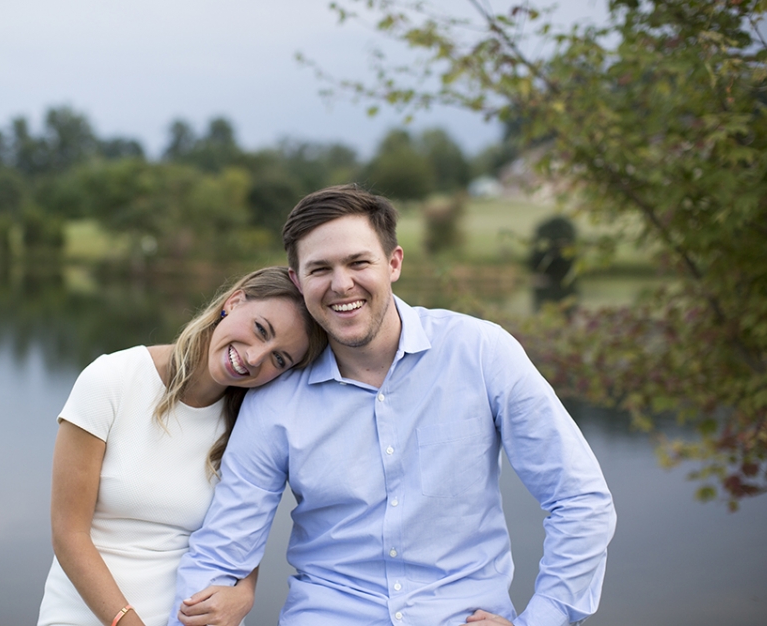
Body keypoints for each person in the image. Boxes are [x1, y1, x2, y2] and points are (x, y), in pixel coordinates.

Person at [171, 185, 617, 626]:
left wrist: (540, 621)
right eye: (320, 268)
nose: (341, 283)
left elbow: (580, 500)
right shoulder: (275, 399)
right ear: (297, 280)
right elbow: (222, 550)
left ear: (393, 263)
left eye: (358, 262)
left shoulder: (480, 352)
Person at [37, 266, 328, 626]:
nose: (255, 358)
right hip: (87, 614)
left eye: (279, 359)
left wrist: (245, 593)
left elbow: (239, 537)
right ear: (234, 302)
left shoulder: (250, 425)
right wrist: (127, 622)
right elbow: (69, 534)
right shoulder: (111, 379)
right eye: (260, 330)